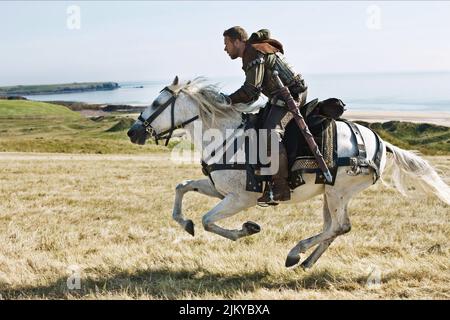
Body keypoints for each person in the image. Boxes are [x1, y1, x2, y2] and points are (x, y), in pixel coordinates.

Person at [222, 26, 308, 204]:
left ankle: (280, 187)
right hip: (278, 98)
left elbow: (250, 90)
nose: (225, 49)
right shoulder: (251, 52)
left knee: (269, 133)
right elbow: (253, 93)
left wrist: (226, 100)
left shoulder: (253, 52)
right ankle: (265, 180)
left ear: (237, 41)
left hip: (291, 96)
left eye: (226, 43)